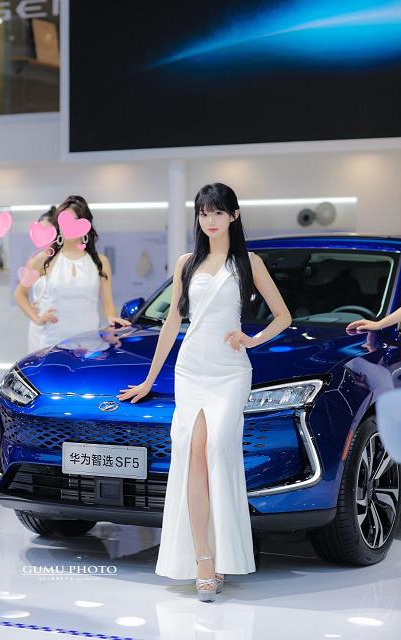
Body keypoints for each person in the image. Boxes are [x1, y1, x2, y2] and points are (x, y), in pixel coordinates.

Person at [117, 183, 291, 602]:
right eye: (203, 213)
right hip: (191, 369)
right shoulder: (186, 263)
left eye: (217, 212)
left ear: (234, 215)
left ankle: (222, 552)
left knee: (217, 451)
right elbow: (172, 323)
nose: (210, 220)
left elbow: (283, 316)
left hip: (230, 372)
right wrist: (149, 379)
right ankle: (203, 559)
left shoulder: (249, 263)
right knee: (192, 454)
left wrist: (253, 339)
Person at [14, 195, 131, 350]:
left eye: (75, 220)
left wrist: (111, 318)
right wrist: (37, 319)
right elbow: (20, 293)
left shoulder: (101, 262)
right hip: (52, 341)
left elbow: (108, 303)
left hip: (89, 341)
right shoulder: (45, 259)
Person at [25, 206, 55, 353]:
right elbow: (20, 294)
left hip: (58, 321)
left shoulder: (67, 261)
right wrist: (32, 310)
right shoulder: (35, 261)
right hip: (38, 324)